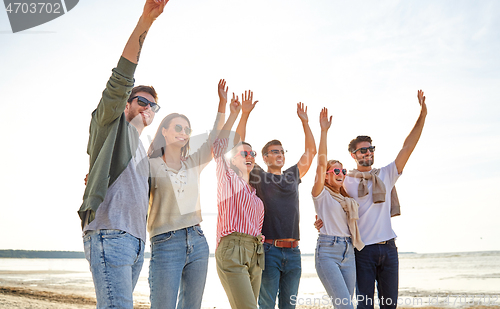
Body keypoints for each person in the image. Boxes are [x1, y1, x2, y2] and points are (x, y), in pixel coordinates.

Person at [77, 1, 168, 308]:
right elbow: (120, 81)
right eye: (141, 100)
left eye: (152, 105)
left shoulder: (144, 152)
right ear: (127, 105)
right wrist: (145, 22)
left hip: (135, 242)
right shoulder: (110, 127)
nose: (147, 107)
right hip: (110, 234)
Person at [316, 90, 428, 309]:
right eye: (362, 150)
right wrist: (320, 221)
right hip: (362, 250)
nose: (368, 153)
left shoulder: (385, 174)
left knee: (389, 305)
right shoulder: (345, 180)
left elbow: (408, 147)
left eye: (370, 149)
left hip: (389, 249)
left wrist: (422, 115)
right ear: (353, 155)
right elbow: (329, 202)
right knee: (364, 305)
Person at [146, 79, 229, 309]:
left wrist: (222, 104)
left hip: (197, 241)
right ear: (164, 131)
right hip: (165, 242)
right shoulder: (149, 165)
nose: (183, 132)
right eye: (178, 127)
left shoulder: (193, 163)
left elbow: (214, 137)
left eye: (186, 129)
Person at [236, 98, 317, 309]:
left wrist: (305, 123)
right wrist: (244, 114)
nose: (280, 154)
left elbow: (311, 153)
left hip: (294, 252)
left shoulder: (292, 175)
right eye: (275, 152)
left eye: (282, 151)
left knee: (289, 306)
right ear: (264, 157)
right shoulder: (259, 176)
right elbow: (237, 148)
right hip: (269, 250)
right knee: (267, 304)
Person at [214, 91, 265, 309]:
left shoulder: (255, 194)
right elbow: (219, 146)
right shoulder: (228, 179)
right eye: (244, 154)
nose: (249, 156)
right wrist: (236, 114)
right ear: (233, 159)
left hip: (255, 252)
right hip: (232, 249)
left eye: (252, 154)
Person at [311, 108, 364, 309]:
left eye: (343, 170)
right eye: (335, 170)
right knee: (345, 306)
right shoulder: (321, 194)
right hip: (328, 252)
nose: (341, 173)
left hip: (348, 252)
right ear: (326, 175)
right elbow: (320, 164)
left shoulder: (347, 198)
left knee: (344, 305)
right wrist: (324, 131)